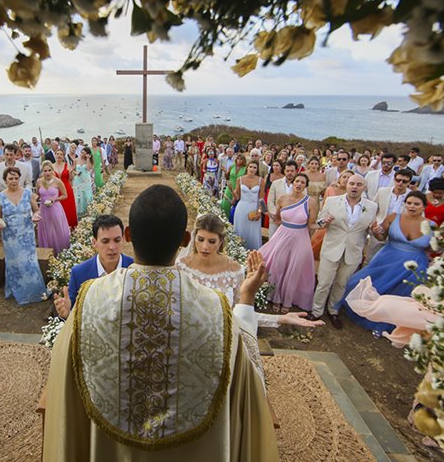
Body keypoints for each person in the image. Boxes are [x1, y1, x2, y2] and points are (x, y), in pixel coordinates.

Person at [42, 185, 279, 460]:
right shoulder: (216, 310)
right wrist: (246, 300)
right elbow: (249, 380)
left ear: (128, 235)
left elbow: (63, 384)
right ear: (185, 239)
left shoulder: (90, 300)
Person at [179, 213, 323, 329]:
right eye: (200, 239)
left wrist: (279, 319)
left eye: (211, 241)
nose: (204, 247)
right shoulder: (182, 267)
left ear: (221, 241)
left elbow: (239, 313)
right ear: (194, 237)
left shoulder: (234, 270)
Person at [339, 191, 433, 335]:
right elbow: (382, 236)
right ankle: (362, 312)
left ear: (424, 206)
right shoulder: (394, 217)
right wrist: (376, 231)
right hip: (388, 258)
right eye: (409, 203)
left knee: (400, 296)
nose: (412, 206)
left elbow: (431, 248)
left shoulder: (431, 225)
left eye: (416, 204)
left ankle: (386, 325)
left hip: (415, 265)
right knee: (366, 283)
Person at [307, 175, 378, 329]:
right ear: (346, 185)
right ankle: (317, 310)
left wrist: (374, 230)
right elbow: (318, 223)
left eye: (359, 184)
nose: (354, 187)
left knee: (341, 283)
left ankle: (333, 310)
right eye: (352, 183)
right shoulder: (332, 201)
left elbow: (371, 232)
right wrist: (324, 222)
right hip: (332, 248)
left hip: (353, 251)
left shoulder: (371, 207)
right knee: (324, 282)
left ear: (364, 187)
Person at [52, 214, 135, 318]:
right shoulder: (79, 273)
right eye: (105, 241)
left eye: (117, 240)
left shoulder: (134, 269)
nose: (112, 247)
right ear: (94, 242)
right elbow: (72, 313)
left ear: (123, 239)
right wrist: (66, 314)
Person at [259, 173, 318, 313]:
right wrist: (269, 214)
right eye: (297, 181)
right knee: (278, 266)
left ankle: (287, 300)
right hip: (282, 235)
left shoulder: (311, 202)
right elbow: (278, 219)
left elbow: (311, 225)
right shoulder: (282, 199)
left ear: (306, 186)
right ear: (292, 183)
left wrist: (324, 225)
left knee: (294, 269)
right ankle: (276, 298)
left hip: (300, 237)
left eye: (302, 182)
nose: (298, 184)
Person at [0, 167, 48, 305]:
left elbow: (36, 210)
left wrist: (36, 216)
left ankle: (34, 290)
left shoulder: (28, 193)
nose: (13, 181)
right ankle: (18, 289)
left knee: (30, 262)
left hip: (27, 234)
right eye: (10, 178)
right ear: (5, 180)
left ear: (20, 179)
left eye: (16, 178)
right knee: (14, 264)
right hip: (10, 236)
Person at [365, 168, 414, 261]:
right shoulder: (382, 191)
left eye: (404, 181)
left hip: (399, 235)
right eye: (398, 180)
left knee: (391, 261)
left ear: (409, 182)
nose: (400, 183)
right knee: (371, 259)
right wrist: (373, 225)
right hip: (379, 230)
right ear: (394, 179)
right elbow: (373, 209)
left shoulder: (413, 196)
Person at [36, 161, 71, 255]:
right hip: (43, 210)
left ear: (52, 170)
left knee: (57, 229)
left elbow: (65, 195)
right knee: (46, 229)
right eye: (45, 171)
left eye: (49, 170)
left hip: (55, 208)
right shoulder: (39, 182)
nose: (47, 173)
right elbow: (37, 195)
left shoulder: (58, 181)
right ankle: (48, 252)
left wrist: (54, 199)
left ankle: (61, 251)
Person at [232, 159, 265, 249]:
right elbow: (237, 197)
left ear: (257, 170)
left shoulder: (261, 181)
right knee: (241, 231)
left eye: (254, 167)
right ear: (247, 168)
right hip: (242, 207)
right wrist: (231, 190)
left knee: (253, 233)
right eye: (250, 167)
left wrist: (259, 212)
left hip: (254, 208)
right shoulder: (240, 179)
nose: (252, 169)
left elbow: (261, 199)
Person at [52, 149, 78, 228]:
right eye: (57, 154)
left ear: (63, 156)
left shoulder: (67, 165)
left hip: (67, 188)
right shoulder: (51, 166)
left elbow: (71, 179)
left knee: (69, 208)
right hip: (56, 190)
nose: (59, 155)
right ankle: (60, 227)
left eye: (61, 154)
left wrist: (71, 173)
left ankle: (71, 227)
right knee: (58, 209)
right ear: (55, 155)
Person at [220, 152, 246, 219]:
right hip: (230, 187)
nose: (239, 160)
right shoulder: (232, 166)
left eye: (241, 159)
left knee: (235, 205)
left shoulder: (245, 169)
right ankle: (224, 218)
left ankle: (232, 221)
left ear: (243, 160)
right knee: (225, 204)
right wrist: (225, 172)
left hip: (238, 189)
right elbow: (227, 177)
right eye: (238, 159)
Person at [72, 147, 94, 217]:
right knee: (79, 195)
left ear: (87, 154)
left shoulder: (88, 160)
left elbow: (88, 168)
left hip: (86, 180)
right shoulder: (76, 160)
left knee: (86, 194)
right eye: (81, 152)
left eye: (84, 153)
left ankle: (87, 211)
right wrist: (76, 173)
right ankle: (79, 212)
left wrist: (88, 159)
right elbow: (72, 169)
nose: (82, 154)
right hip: (78, 180)